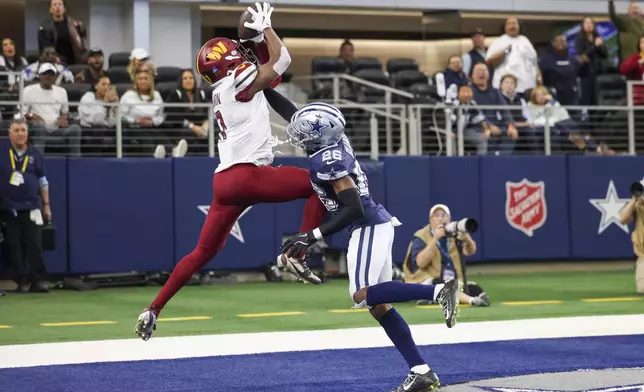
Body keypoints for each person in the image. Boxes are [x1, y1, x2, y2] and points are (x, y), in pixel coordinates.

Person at [134, 2, 327, 341]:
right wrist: (266, 27)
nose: (241, 53)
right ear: (227, 62)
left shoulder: (224, 87)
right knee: (319, 182)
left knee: (202, 252)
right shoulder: (239, 78)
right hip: (247, 175)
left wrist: (255, 40)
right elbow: (281, 61)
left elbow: (270, 72)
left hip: (224, 182)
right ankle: (296, 252)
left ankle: (153, 308)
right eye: (236, 52)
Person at [276, 100, 460, 392]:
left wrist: (311, 237)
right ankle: (421, 370)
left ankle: (438, 290)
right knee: (378, 305)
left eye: (306, 132)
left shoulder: (328, 161)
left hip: (367, 226)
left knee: (361, 294)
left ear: (319, 136)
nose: (299, 135)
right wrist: (261, 86)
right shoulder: (333, 140)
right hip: (375, 225)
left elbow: (353, 209)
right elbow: (294, 113)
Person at [402, 204, 490, 307]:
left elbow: (470, 251)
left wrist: (467, 238)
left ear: (449, 219)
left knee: (474, 288)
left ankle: (438, 299)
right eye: (436, 216)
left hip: (450, 279)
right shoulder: (421, 236)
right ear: (430, 220)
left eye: (443, 215)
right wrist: (435, 239)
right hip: (425, 281)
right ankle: (471, 300)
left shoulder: (453, 234)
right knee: (440, 284)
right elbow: (421, 262)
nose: (440, 219)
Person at [0, 119, 51, 293]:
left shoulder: (35, 154)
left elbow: (43, 181)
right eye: (17, 130)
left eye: (23, 130)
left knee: (35, 245)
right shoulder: (1, 151)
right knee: (13, 245)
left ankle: (38, 280)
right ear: (10, 133)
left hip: (32, 207)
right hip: (8, 208)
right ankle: (21, 280)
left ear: (27, 133)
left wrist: (46, 205)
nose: (21, 133)